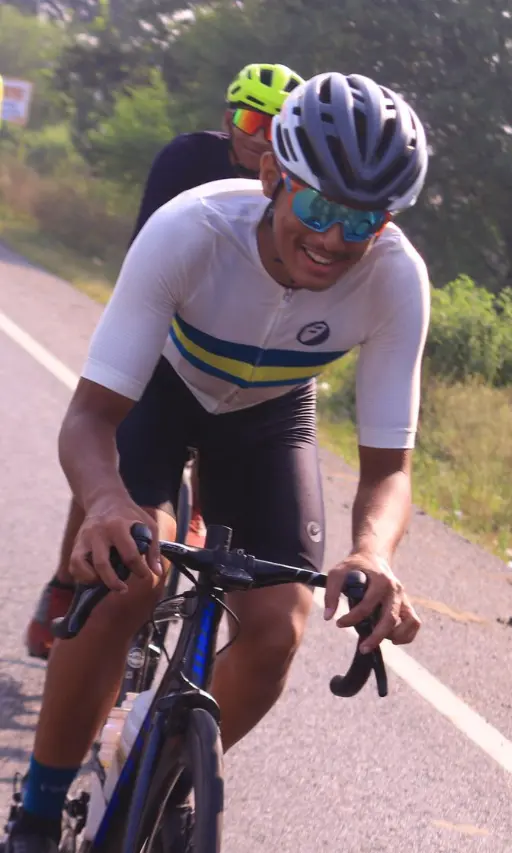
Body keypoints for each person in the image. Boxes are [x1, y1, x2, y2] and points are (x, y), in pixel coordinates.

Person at [7, 70, 430, 853]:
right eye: (319, 205)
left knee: (278, 628)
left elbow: (388, 468)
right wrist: (106, 502)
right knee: (129, 575)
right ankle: (35, 813)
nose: (336, 238)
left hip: (270, 416)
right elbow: (91, 418)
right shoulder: (191, 229)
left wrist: (373, 550)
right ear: (272, 175)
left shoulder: (396, 277)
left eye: (363, 218)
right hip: (163, 395)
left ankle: (164, 772)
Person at [24, 61, 305, 660]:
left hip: (234, 349)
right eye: (250, 118)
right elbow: (144, 257)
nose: (261, 134)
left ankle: (200, 510)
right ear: (228, 118)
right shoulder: (186, 160)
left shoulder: (295, 193)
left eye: (277, 125)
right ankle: (64, 581)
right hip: (163, 315)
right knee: (113, 450)